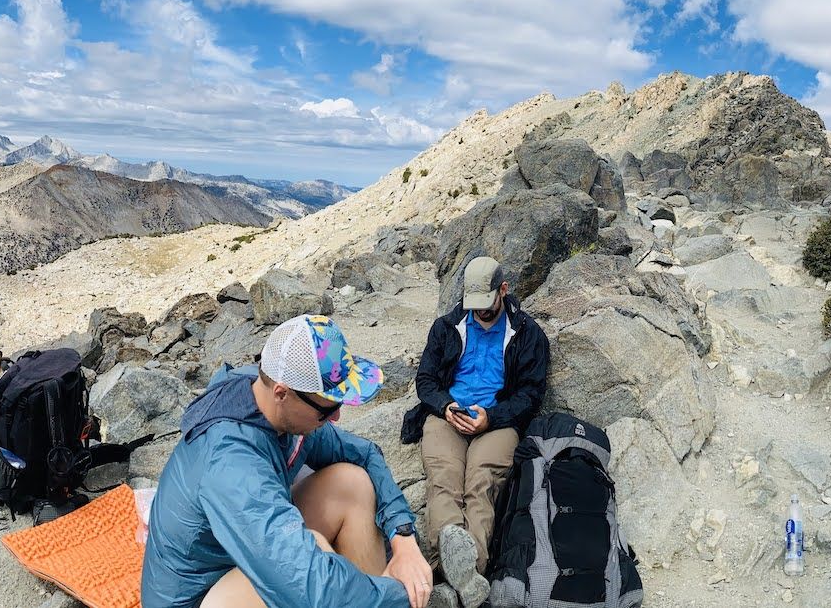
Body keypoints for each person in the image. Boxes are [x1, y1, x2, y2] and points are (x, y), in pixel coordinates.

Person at [142, 314, 431, 608]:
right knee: (313, 554)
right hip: (199, 594)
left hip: (240, 551)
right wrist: (401, 592)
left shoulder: (273, 402)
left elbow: (365, 453)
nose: (336, 418)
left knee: (351, 483)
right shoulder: (232, 464)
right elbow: (310, 587)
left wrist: (403, 538)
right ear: (282, 393)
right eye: (326, 409)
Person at [402, 256, 550, 602]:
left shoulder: (527, 334)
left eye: (487, 304)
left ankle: (461, 579)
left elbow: (531, 394)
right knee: (444, 481)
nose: (480, 312)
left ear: (503, 290)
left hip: (497, 420)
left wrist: (492, 418)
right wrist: (444, 406)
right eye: (474, 305)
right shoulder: (447, 327)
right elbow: (426, 380)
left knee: (481, 483)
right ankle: (460, 579)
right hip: (448, 416)